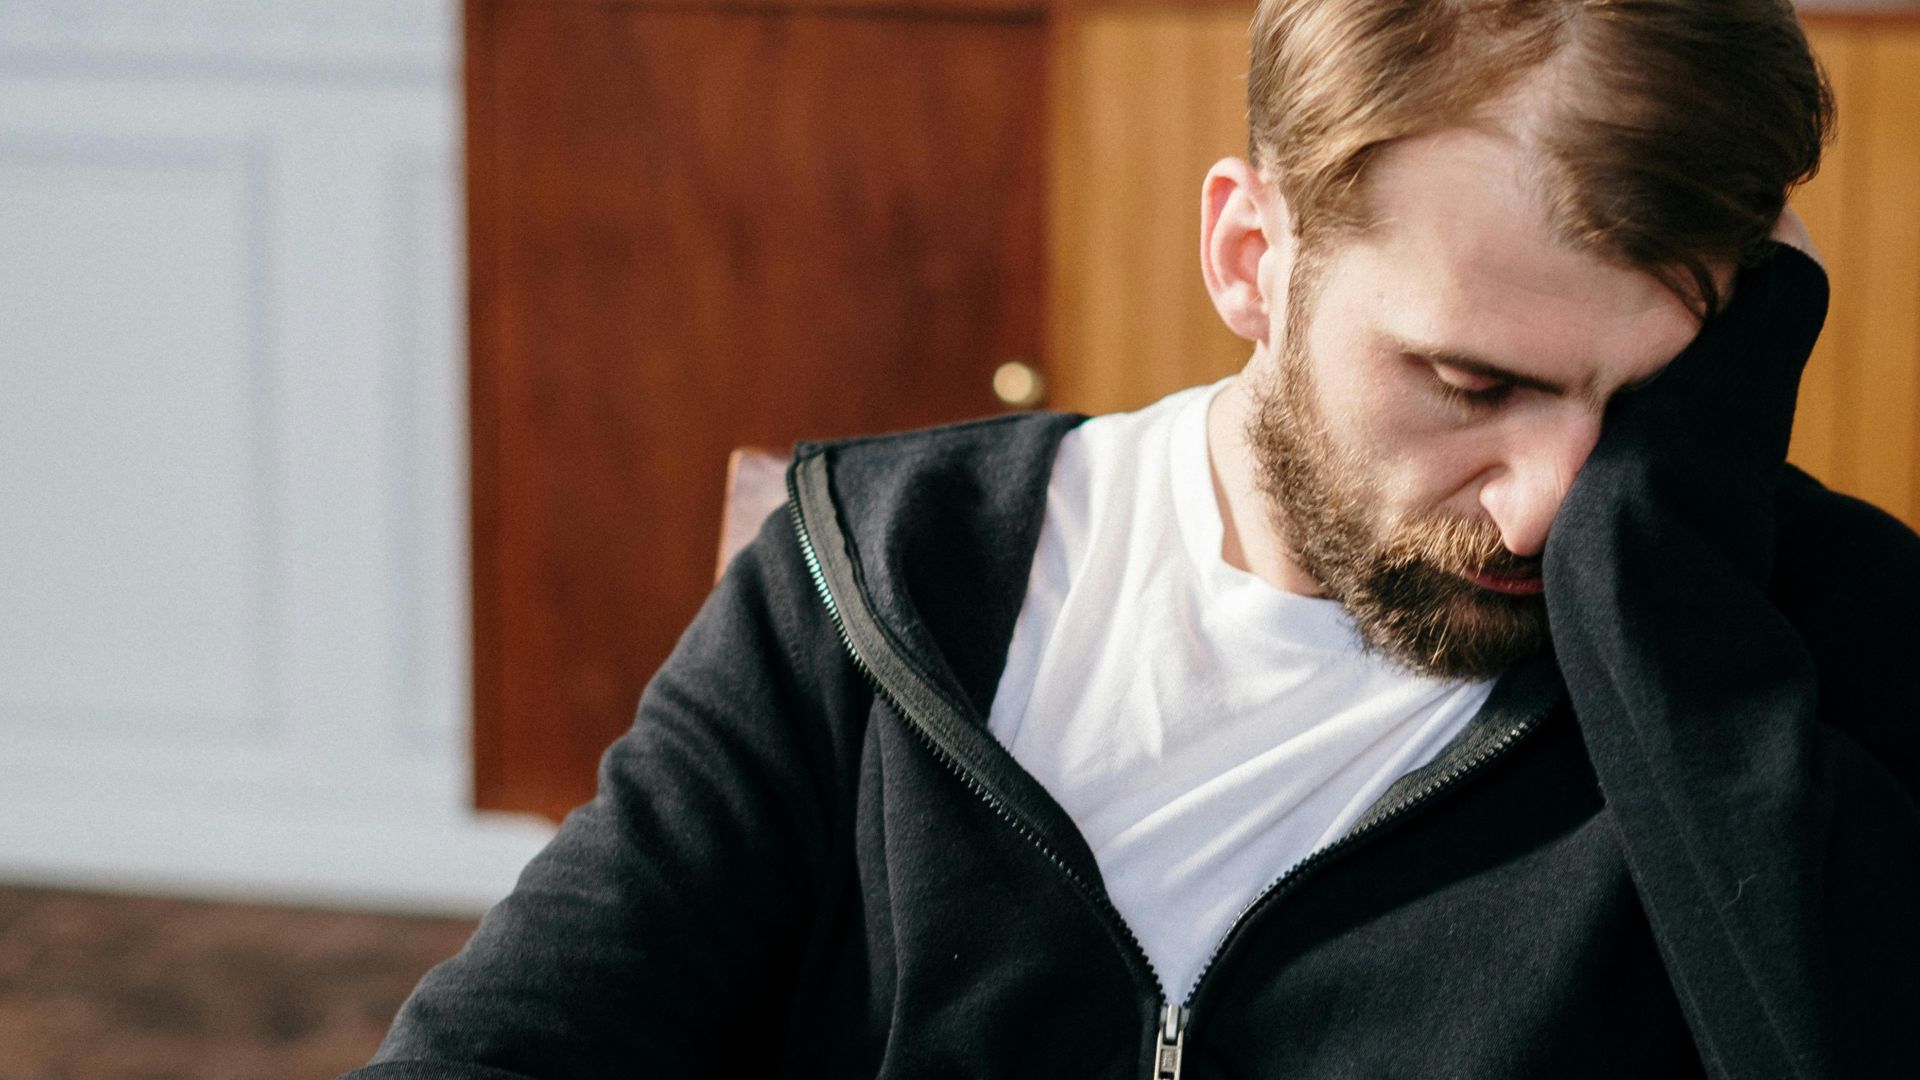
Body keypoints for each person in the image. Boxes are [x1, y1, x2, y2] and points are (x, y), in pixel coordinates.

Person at [350, 1, 1920, 1076]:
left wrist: (1677, 613)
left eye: (1648, 402)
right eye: (1470, 382)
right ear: (1250, 255)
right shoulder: (882, 579)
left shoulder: (1814, 641)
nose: (1542, 505)